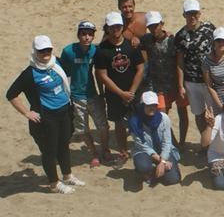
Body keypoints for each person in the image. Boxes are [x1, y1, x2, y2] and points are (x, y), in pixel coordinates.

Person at [7, 35, 85, 194]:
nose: (45, 53)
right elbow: (11, 94)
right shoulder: (30, 73)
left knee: (64, 145)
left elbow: (67, 77)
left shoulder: (56, 62)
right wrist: (27, 113)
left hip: (64, 112)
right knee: (49, 151)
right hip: (46, 117)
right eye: (41, 51)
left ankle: (67, 175)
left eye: (48, 49)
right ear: (35, 51)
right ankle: (54, 184)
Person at [95, 11, 145, 160]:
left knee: (138, 120)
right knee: (119, 123)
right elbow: (102, 75)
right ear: (107, 28)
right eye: (112, 27)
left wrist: (131, 92)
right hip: (114, 93)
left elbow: (140, 68)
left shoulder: (131, 46)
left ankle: (142, 148)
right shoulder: (102, 50)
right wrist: (121, 93)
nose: (115, 29)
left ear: (122, 27)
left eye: (118, 26)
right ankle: (123, 150)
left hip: (133, 91)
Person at [61, 20, 110, 165]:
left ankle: (105, 149)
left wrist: (101, 93)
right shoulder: (68, 51)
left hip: (92, 94)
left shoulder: (96, 51)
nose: (87, 37)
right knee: (82, 129)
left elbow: (100, 73)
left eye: (90, 34)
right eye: (84, 34)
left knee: (103, 125)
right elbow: (62, 73)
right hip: (76, 96)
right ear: (78, 35)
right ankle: (94, 153)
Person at [140, 11, 188, 145]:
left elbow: (180, 63)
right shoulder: (146, 40)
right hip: (158, 85)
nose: (154, 29)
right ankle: (173, 142)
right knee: (162, 115)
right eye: (151, 26)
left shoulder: (173, 40)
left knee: (182, 112)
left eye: (156, 25)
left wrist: (180, 85)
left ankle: (182, 142)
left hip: (175, 83)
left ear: (162, 24)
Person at [175, 0, 216, 145]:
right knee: (199, 114)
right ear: (184, 15)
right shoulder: (180, 36)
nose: (192, 17)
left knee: (214, 113)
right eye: (189, 14)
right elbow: (179, 62)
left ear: (199, 13)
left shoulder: (210, 29)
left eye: (195, 13)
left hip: (209, 81)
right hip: (191, 82)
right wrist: (180, 86)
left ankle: (213, 143)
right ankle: (205, 141)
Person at [129, 91, 181, 187]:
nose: (152, 108)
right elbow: (141, 144)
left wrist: (162, 161)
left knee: (173, 179)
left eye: (154, 105)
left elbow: (167, 142)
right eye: (148, 105)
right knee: (143, 167)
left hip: (163, 151)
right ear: (142, 105)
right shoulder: (135, 122)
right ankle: (146, 173)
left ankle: (158, 170)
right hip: (145, 151)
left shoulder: (164, 118)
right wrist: (161, 161)